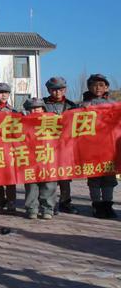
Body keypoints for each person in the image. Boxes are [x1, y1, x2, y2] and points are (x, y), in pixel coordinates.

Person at [80, 74, 117, 218]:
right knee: (94, 178)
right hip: (91, 148)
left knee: (109, 177)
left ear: (107, 87)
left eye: (101, 85)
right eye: (94, 85)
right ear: (89, 87)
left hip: (109, 147)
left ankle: (108, 205)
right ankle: (97, 205)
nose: (98, 88)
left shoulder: (114, 104)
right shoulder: (83, 105)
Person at [43, 76, 79, 215]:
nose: (57, 92)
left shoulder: (72, 106)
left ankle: (65, 202)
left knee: (65, 177)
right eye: (54, 90)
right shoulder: (42, 104)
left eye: (60, 89)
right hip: (47, 145)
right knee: (50, 176)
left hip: (66, 146)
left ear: (65, 89)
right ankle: (48, 204)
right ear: (48, 90)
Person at [22, 98, 57, 220]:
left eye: (38, 107)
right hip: (30, 158)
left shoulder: (53, 120)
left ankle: (47, 209)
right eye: (31, 108)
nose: (35, 110)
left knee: (49, 185)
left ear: (43, 109)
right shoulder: (23, 122)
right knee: (31, 186)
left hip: (48, 157)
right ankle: (32, 209)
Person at [0, 82, 18, 214]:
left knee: (10, 176)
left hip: (9, 147)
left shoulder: (13, 111)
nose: (4, 95)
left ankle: (11, 201)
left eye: (6, 93)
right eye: (1, 93)